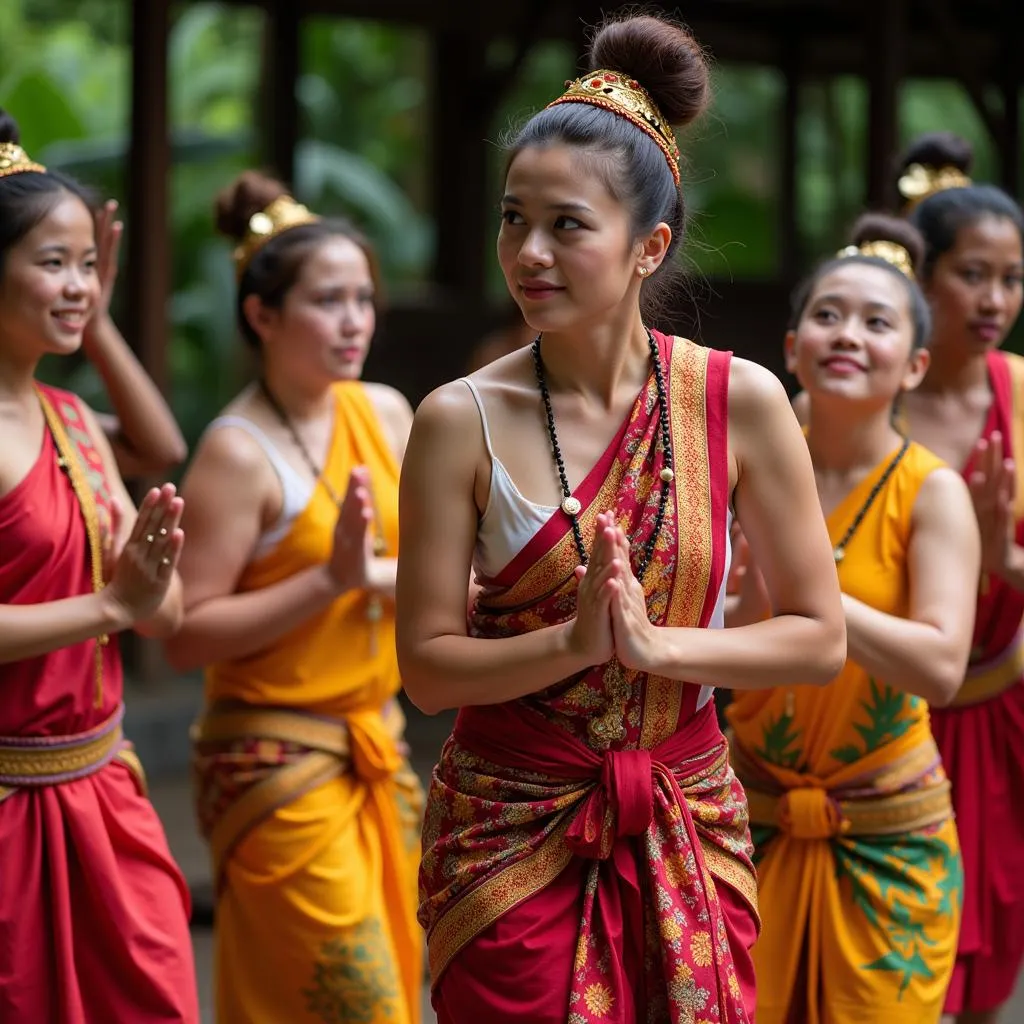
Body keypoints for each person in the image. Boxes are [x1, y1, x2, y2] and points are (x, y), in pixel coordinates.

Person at [397, 13, 847, 1024]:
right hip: (505, 834)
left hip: (686, 816)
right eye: (513, 219)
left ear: (648, 246)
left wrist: (658, 649)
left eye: (567, 225)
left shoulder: (740, 403)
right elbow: (425, 667)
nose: (529, 252)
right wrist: (571, 642)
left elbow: (819, 639)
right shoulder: (456, 419)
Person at [163, 171, 423, 1024]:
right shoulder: (236, 454)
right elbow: (186, 636)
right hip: (277, 763)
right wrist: (329, 581)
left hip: (377, 746)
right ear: (262, 316)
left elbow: (446, 569)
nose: (354, 320)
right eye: (327, 301)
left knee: (400, 975)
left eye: (364, 298)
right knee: (360, 1003)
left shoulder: (386, 414)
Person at [727, 214, 980, 1024]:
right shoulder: (739, 470)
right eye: (829, 315)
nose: (848, 335)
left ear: (913, 366)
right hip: (748, 817)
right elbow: (720, 644)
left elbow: (941, 668)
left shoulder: (931, 491)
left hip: (888, 839)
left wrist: (814, 597)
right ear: (793, 346)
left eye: (877, 323)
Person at [0, 116, 198, 1021]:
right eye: (54, 263)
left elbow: (159, 613)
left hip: (104, 790)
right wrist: (113, 603)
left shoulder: (72, 422)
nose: (78, 285)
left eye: (89, 264)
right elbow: (120, 607)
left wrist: (144, 598)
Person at [898, 137, 1024, 1024]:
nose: (995, 301)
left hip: (1005, 707)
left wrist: (1006, 560)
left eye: (1012, 279)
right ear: (923, 277)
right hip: (892, 714)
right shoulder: (876, 399)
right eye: (973, 275)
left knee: (993, 962)